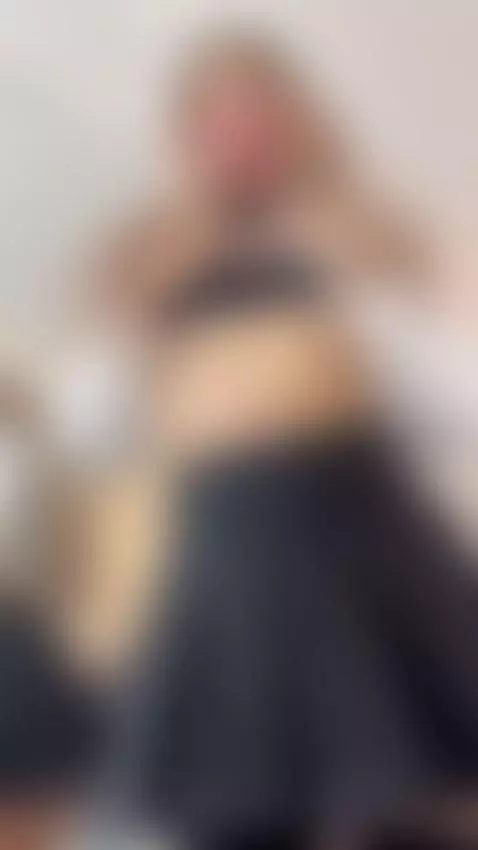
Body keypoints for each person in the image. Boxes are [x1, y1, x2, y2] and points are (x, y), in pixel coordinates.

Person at [91, 35, 478, 850]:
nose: (242, 148)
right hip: (228, 572)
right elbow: (100, 429)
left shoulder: (364, 235)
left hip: (367, 559)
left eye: (259, 125)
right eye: (219, 129)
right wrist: (144, 314)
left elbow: (451, 400)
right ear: (188, 142)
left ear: (301, 127)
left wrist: (347, 279)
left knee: (410, 798)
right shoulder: (151, 256)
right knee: (234, 807)